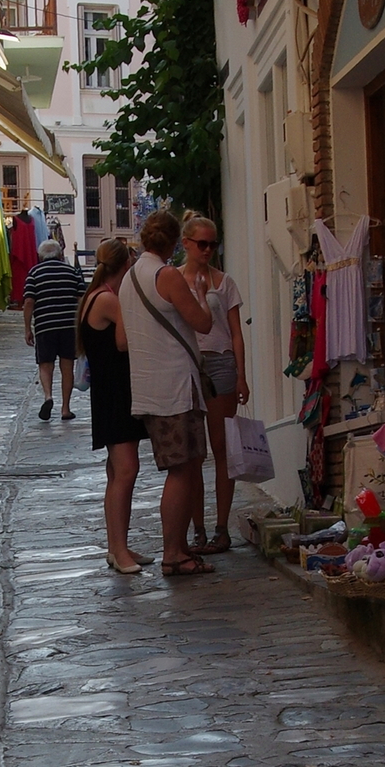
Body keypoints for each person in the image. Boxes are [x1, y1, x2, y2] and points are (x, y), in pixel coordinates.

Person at [124, 206, 213, 575]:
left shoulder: (130, 277)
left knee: (183, 467)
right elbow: (203, 323)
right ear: (176, 242)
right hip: (176, 386)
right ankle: (173, 551)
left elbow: (123, 336)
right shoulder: (167, 276)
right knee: (181, 470)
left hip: (147, 386)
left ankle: (176, 549)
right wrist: (202, 292)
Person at [181, 212, 248, 556]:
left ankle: (221, 527)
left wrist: (241, 374)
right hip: (189, 365)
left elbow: (236, 331)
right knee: (194, 453)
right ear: (187, 244)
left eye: (213, 243)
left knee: (222, 449)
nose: (208, 250)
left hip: (220, 363)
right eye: (201, 243)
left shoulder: (225, 282)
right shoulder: (174, 280)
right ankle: (198, 530)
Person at [80, 238, 145, 574]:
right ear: (125, 265)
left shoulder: (96, 296)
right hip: (115, 394)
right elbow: (124, 340)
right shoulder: (108, 299)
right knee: (126, 470)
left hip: (111, 392)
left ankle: (118, 544)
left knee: (117, 471)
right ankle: (119, 550)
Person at [23, 227, 86, 421]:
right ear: (60, 254)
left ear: (40, 256)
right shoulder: (72, 272)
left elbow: (28, 302)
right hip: (68, 326)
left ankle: (48, 396)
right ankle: (65, 408)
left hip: (45, 326)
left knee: (45, 364)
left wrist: (27, 328)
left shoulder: (34, 273)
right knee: (67, 367)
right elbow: (81, 299)